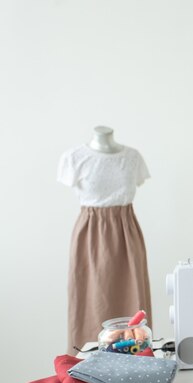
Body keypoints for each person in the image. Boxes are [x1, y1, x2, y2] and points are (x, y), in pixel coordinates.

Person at [58, 126, 153, 353]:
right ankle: (86, 372)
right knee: (89, 303)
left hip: (127, 233)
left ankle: (138, 367)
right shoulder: (74, 158)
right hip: (90, 235)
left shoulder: (132, 157)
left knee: (133, 302)